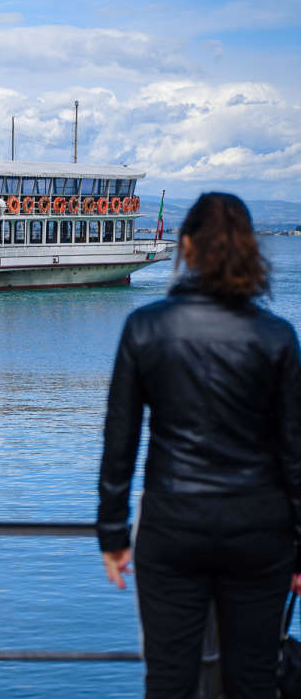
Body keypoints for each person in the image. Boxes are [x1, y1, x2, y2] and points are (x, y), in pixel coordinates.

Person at [98, 192, 301, 698]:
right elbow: (294, 452)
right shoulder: (277, 337)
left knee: (169, 679)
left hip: (173, 526)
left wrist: (112, 534)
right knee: (252, 681)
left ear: (185, 246)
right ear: (249, 249)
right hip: (260, 531)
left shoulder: (146, 327)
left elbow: (119, 439)